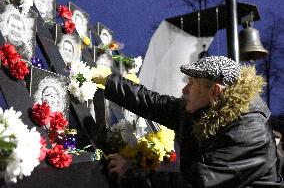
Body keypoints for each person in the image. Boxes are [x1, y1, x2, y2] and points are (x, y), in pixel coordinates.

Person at [93, 56, 282, 187]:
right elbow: (155, 103)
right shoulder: (202, 109)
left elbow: (195, 183)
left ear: (215, 92)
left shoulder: (249, 133)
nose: (184, 89)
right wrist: (110, 81)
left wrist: (130, 173)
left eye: (192, 83)